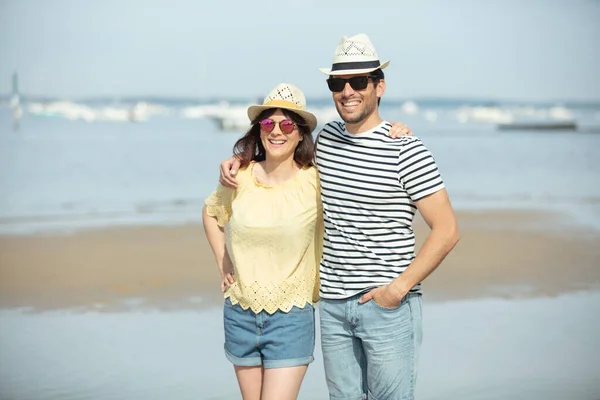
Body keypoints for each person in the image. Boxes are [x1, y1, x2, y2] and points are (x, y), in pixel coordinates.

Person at [220, 34, 460, 399]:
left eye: (359, 81)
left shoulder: (405, 148)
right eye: (337, 82)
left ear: (379, 86)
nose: (347, 90)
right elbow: (280, 154)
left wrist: (396, 290)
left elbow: (446, 230)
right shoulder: (327, 140)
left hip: (387, 307)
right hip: (332, 307)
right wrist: (239, 161)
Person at [202, 83, 323, 400]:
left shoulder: (316, 181)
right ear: (259, 129)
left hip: (291, 317)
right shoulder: (238, 176)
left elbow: (356, 150)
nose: (277, 131)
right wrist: (222, 260)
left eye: (287, 124)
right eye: (268, 123)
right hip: (239, 312)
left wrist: (394, 129)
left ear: (300, 134)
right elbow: (212, 214)